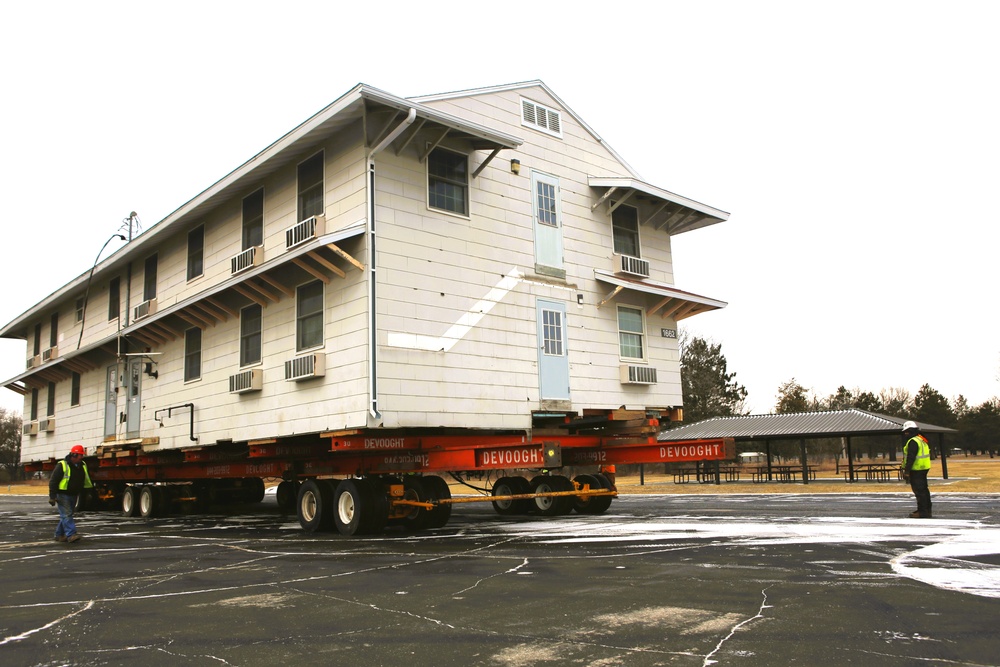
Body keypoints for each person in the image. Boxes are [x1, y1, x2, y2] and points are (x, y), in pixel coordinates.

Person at [48, 444, 94, 543]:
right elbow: (53, 481)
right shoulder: (62, 465)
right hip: (62, 494)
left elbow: (86, 480)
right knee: (67, 514)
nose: (81, 458)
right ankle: (71, 534)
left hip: (74, 494)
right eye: (80, 456)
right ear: (73, 455)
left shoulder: (82, 465)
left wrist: (88, 493)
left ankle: (59, 535)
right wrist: (52, 496)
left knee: (66, 515)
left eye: (82, 456)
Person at [901, 421, 932, 518]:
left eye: (907, 432)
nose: (905, 434)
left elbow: (911, 457)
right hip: (924, 468)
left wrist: (907, 471)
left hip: (917, 469)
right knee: (924, 491)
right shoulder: (922, 439)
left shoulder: (913, 441)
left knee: (919, 491)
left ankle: (922, 512)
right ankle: (926, 510)